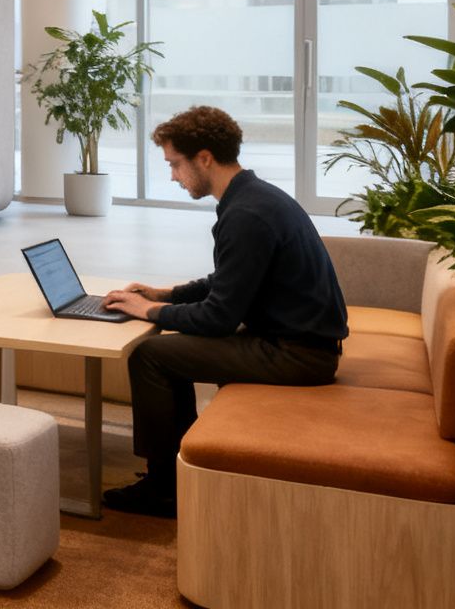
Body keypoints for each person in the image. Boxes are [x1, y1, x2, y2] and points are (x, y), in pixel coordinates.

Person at [96, 105, 348, 518]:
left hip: (298, 355)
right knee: (167, 353)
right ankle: (172, 471)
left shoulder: (246, 215)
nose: (173, 176)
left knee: (151, 357)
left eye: (175, 165)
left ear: (204, 158)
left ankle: (165, 488)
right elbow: (227, 281)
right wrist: (166, 294)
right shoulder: (254, 198)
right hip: (301, 341)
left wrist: (150, 310)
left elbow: (218, 318)